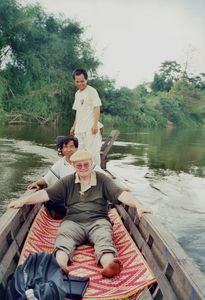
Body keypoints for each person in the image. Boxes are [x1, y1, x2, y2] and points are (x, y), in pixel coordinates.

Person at [8, 150, 153, 278]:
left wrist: (137, 204)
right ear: (73, 166)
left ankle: (109, 265)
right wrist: (24, 201)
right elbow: (46, 194)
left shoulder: (103, 180)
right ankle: (60, 264)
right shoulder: (67, 181)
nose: (83, 168)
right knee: (64, 238)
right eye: (79, 165)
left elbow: (121, 195)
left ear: (91, 164)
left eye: (86, 164)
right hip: (73, 221)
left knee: (104, 238)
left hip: (98, 220)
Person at [70, 68, 102, 166]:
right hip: (79, 129)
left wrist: (95, 125)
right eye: (77, 81)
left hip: (90, 129)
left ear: (87, 79)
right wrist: (74, 126)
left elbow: (97, 108)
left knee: (93, 154)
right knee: (79, 154)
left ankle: (98, 174)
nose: (80, 83)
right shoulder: (77, 94)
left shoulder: (91, 91)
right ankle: (82, 175)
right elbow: (78, 112)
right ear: (74, 81)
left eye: (82, 81)